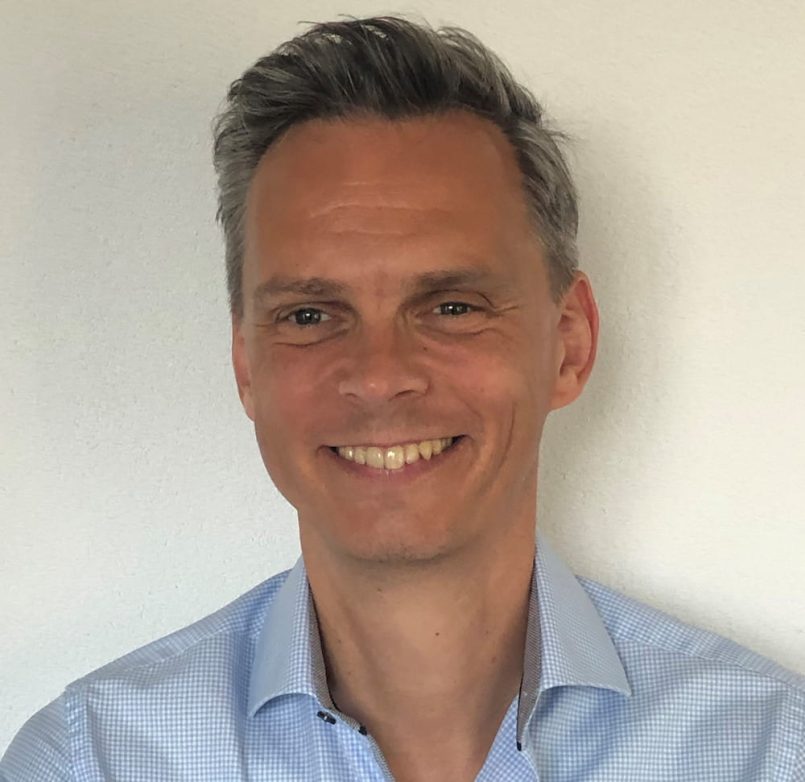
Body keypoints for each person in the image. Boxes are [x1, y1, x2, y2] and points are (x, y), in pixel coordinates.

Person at [2, 14, 803, 782]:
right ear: (247, 365)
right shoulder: (94, 763)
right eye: (309, 316)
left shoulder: (769, 754)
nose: (380, 374)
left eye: (451, 306)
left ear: (569, 344)